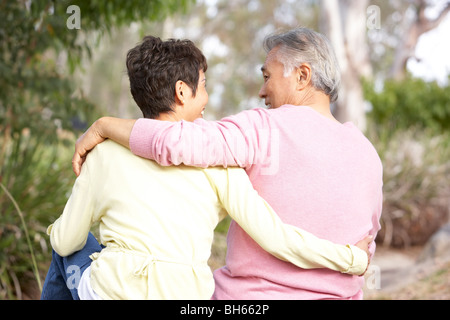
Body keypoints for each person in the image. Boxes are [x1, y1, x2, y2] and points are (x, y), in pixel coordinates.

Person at [42, 35, 372, 300]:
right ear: (182, 91)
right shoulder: (222, 163)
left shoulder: (105, 154)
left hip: (116, 290)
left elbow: (65, 240)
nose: (208, 99)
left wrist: (102, 126)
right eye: (204, 86)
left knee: (67, 245)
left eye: (266, 77)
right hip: (189, 299)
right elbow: (278, 237)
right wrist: (353, 259)